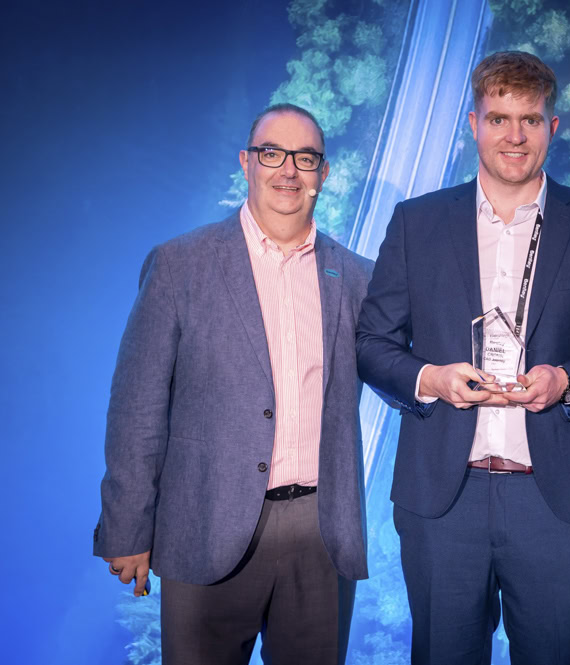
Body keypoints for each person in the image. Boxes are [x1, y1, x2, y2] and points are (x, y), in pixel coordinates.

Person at [356, 51, 570, 664]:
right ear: (474, 125)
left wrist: (566, 380)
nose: (514, 136)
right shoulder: (416, 223)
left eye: (530, 120)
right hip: (444, 499)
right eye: (499, 119)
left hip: (557, 502)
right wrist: (432, 378)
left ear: (552, 127)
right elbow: (371, 345)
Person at [93, 103, 372, 665]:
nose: (288, 169)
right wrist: (127, 529)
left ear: (323, 173)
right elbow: (137, 410)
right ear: (246, 162)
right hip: (205, 525)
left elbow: (395, 373)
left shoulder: (357, 276)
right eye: (272, 153)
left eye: (305, 158)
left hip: (321, 535)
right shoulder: (179, 265)